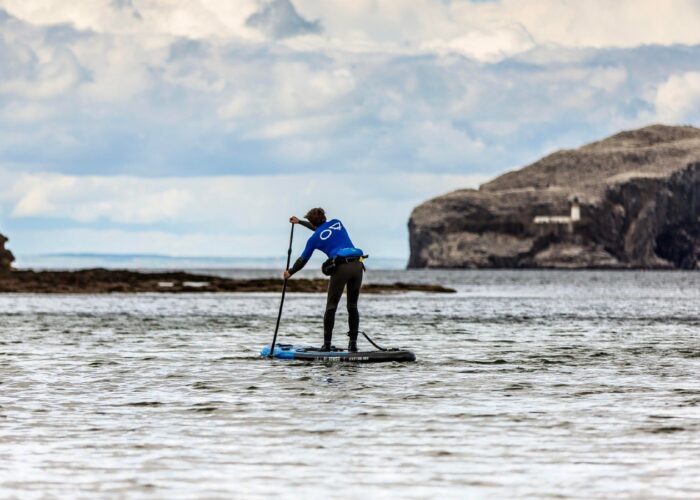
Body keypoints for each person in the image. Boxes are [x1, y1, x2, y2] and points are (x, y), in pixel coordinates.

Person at [283, 208, 365, 352]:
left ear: (312, 223)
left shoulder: (313, 239)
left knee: (331, 307)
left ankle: (326, 345)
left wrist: (290, 272)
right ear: (324, 217)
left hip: (342, 268)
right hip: (358, 265)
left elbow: (303, 260)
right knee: (352, 306)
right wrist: (300, 222)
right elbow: (320, 228)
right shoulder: (336, 222)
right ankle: (353, 345)